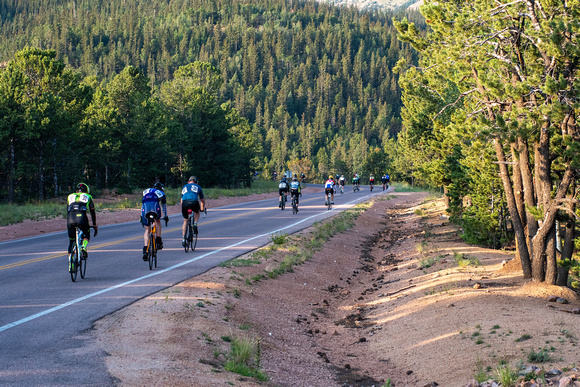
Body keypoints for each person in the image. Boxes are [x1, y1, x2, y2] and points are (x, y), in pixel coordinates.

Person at [67, 183, 98, 265]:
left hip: (70, 218)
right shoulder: (88, 196)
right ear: (87, 191)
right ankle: (83, 247)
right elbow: (92, 212)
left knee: (71, 240)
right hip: (82, 217)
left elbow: (68, 210)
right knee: (86, 233)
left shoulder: (70, 196)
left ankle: (71, 263)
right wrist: (94, 224)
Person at [141, 182, 169, 261]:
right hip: (154, 207)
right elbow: (163, 207)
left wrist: (141, 216)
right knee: (157, 221)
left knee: (147, 229)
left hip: (145, 208)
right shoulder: (161, 193)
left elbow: (143, 203)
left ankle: (145, 249)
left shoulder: (146, 191)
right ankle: (158, 240)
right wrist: (166, 216)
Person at [181, 176, 205, 246]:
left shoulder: (185, 186)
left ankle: (183, 239)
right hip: (194, 202)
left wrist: (184, 207)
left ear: (189, 181)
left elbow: (182, 200)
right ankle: (195, 224)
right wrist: (202, 209)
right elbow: (202, 200)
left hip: (185, 203)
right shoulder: (198, 187)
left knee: (185, 221)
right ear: (196, 182)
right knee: (197, 212)